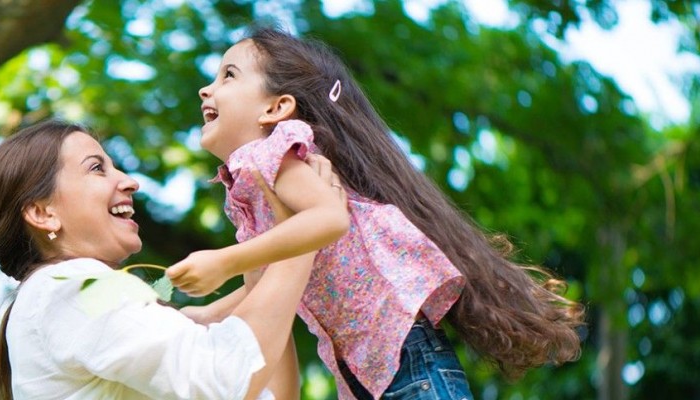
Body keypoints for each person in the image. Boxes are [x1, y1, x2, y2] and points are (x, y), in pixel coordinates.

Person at [165, 27, 585, 400]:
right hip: (377, 377)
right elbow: (271, 291)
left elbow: (329, 218)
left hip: (406, 368)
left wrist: (223, 261)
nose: (206, 89)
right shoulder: (250, 194)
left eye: (228, 75)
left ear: (275, 109)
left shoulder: (272, 154)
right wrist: (204, 315)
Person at [0, 119, 344, 400]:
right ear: (43, 213)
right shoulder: (69, 290)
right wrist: (305, 227)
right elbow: (228, 375)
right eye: (96, 168)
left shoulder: (78, 303)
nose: (129, 181)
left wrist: (283, 238)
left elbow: (264, 381)